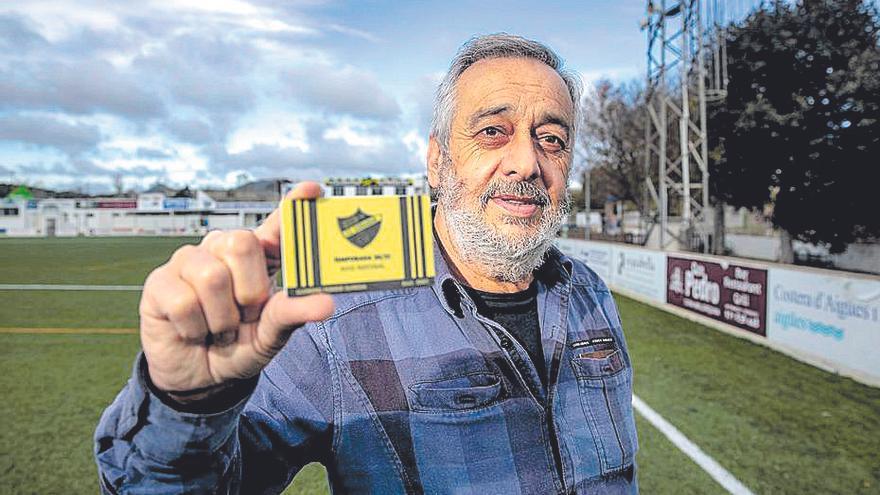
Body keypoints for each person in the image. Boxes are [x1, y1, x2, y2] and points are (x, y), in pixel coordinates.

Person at [95, 33, 638, 494]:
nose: (527, 161)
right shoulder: (339, 317)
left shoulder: (588, 292)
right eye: (492, 131)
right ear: (437, 160)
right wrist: (189, 403)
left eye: (552, 139)